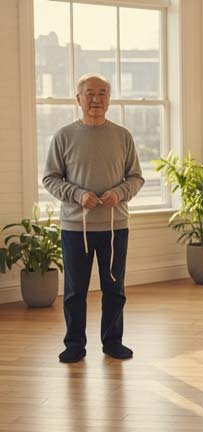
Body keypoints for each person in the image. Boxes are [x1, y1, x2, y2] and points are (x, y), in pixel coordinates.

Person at [43, 73, 144, 363]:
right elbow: (50, 178)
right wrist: (77, 195)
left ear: (109, 99)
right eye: (90, 93)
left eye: (102, 93)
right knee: (75, 291)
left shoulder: (123, 136)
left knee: (114, 289)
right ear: (78, 99)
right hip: (76, 228)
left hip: (115, 228)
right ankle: (74, 344)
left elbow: (136, 178)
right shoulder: (63, 136)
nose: (96, 99)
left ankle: (113, 342)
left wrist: (120, 193)